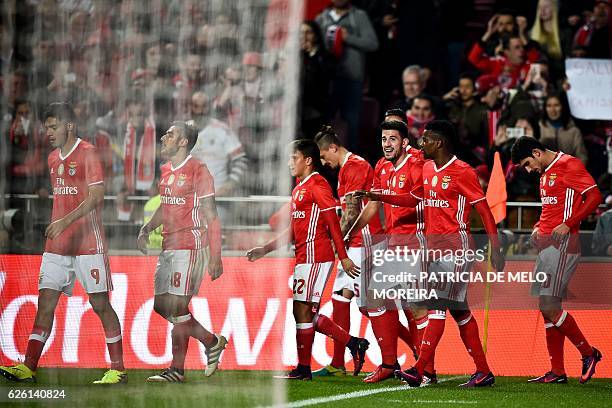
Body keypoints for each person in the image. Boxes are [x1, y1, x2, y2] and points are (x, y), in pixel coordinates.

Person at [358, 120, 505, 388]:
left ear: (439, 142)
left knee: (436, 307)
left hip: (457, 248)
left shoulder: (462, 172)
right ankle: (483, 371)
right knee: (460, 313)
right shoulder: (427, 168)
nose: (420, 144)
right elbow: (414, 200)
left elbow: (484, 211)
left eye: (425, 140)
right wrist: (380, 197)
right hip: (434, 250)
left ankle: (419, 368)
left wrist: (495, 246)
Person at [0, 102, 126, 384]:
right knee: (45, 303)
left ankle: (118, 368)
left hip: (87, 245)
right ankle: (29, 366)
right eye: (46, 127)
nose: (48, 132)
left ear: (69, 125)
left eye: (53, 126)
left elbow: (96, 198)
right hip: (57, 247)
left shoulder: (89, 153)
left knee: (99, 304)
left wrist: (64, 222)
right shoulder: (52, 158)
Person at [246, 139, 369, 380]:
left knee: (302, 311)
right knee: (302, 313)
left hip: (316, 255)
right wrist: (266, 248)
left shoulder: (318, 184)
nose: (290, 163)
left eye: (294, 158)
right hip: (303, 255)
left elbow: (332, 220)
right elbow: (293, 228)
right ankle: (352, 344)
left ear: (308, 160)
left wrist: (342, 257)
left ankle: (306, 367)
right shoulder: (298, 187)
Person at [138, 122, 228, 382]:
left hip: (191, 247)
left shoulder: (198, 170)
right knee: (161, 306)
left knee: (178, 307)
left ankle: (177, 370)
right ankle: (211, 341)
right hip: (168, 247)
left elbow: (212, 215)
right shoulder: (166, 170)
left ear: (183, 142)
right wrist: (147, 228)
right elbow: (165, 207)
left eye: (170, 134)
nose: (164, 137)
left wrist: (216, 256)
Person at [348, 120, 435, 384]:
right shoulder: (382, 166)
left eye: (393, 139)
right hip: (394, 245)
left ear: (404, 142)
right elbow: (374, 205)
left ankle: (426, 370)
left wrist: (380, 197)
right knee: (374, 298)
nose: (387, 144)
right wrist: (350, 231)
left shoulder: (417, 165)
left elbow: (417, 201)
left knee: (417, 309)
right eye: (384, 139)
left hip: (416, 244)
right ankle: (389, 364)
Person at [510, 136, 602, 384]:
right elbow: (552, 208)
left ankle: (588, 353)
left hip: (564, 246)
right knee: (547, 308)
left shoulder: (569, 165)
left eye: (528, 163)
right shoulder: (546, 174)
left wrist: (569, 224)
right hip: (546, 246)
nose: (529, 170)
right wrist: (538, 226)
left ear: (537, 152)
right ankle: (557, 371)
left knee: (549, 306)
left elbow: (594, 196)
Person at [313, 126, 385, 381]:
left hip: (365, 243)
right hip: (356, 242)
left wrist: (336, 242)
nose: (324, 163)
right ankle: (337, 362)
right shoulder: (347, 169)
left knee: (370, 307)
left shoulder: (355, 166)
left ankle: (397, 359)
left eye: (323, 156)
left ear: (333, 147)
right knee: (341, 297)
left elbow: (353, 212)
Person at [316, 0, 378, 152]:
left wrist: (347, 37)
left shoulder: (358, 16)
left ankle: (352, 164)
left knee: (352, 124)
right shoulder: (322, 18)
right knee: (322, 122)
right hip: (326, 80)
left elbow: (373, 43)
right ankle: (320, 160)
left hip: (352, 79)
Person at [539, 94, 588, 165]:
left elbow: (582, 157)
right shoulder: (539, 127)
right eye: (549, 106)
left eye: (556, 105)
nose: (552, 110)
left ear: (563, 107)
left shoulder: (574, 131)